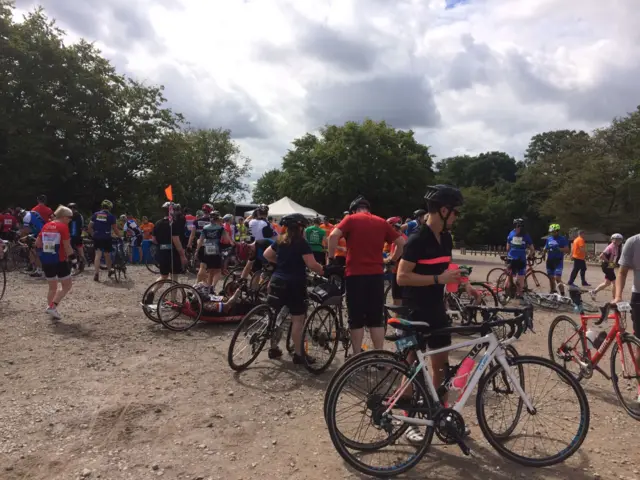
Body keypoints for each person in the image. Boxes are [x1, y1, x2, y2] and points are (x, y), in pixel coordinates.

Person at [396, 185, 464, 438]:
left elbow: (448, 268)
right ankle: (407, 420)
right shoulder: (417, 239)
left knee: (441, 366)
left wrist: (464, 284)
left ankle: (440, 416)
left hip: (436, 308)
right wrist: (438, 279)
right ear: (444, 210)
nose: (457, 217)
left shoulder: (445, 238)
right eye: (456, 212)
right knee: (412, 365)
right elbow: (402, 277)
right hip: (414, 309)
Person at [327, 196, 406, 353]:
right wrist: (391, 259)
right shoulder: (381, 221)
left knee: (356, 318)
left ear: (354, 210)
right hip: (376, 275)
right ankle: (378, 354)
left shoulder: (351, 219)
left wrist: (331, 260)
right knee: (375, 318)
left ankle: (357, 356)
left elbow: (333, 236)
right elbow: (401, 243)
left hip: (354, 274)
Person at [262, 213, 325, 363]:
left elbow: (267, 254)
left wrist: (280, 263)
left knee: (276, 315)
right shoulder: (301, 243)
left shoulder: (280, 240)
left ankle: (274, 347)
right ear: (301, 228)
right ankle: (299, 354)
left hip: (277, 281)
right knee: (298, 320)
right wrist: (323, 270)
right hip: (294, 284)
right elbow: (311, 265)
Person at [35, 205, 75, 320]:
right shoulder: (63, 227)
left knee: (52, 288)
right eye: (69, 218)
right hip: (60, 260)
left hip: (47, 260)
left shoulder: (46, 225)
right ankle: (53, 307)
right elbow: (67, 246)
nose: (70, 220)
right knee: (67, 285)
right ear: (64, 217)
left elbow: (38, 243)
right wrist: (74, 259)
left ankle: (51, 309)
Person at [613, 233, 640, 401]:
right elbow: (622, 273)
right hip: (639, 296)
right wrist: (618, 296)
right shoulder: (633, 242)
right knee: (639, 344)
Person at [196, 211, 232, 288]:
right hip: (217, 250)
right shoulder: (220, 228)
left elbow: (201, 240)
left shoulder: (205, 228)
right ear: (217, 218)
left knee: (210, 270)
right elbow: (226, 240)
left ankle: (209, 287)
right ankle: (213, 286)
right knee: (218, 270)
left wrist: (197, 250)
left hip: (207, 250)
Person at [88, 199, 120, 282]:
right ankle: (109, 270)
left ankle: (96, 273)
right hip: (106, 237)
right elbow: (115, 229)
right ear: (110, 207)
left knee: (97, 255)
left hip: (97, 237)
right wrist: (120, 236)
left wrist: (93, 235)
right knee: (107, 255)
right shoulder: (111, 216)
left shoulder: (95, 214)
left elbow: (89, 227)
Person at [506, 218, 534, 297]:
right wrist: (530, 255)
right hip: (520, 259)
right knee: (520, 278)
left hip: (512, 258)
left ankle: (507, 293)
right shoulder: (525, 234)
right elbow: (532, 249)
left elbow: (507, 248)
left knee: (510, 276)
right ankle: (519, 294)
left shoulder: (511, 233)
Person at [590, 233, 623, 300]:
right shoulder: (611, 247)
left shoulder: (616, 247)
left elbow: (613, 258)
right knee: (615, 282)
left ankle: (593, 292)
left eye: (620, 240)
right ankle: (615, 299)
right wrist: (609, 262)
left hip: (610, 266)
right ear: (613, 240)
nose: (619, 241)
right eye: (617, 240)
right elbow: (601, 256)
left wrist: (613, 264)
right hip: (607, 266)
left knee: (607, 283)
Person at [384, 217, 407, 306]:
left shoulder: (399, 240)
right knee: (403, 301)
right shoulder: (403, 238)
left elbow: (395, 257)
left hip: (398, 272)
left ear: (393, 227)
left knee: (397, 302)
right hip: (402, 272)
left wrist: (384, 260)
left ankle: (397, 319)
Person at [545, 224, 569, 295]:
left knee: (557, 278)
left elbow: (567, 249)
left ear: (557, 231)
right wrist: (543, 253)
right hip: (549, 261)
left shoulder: (562, 239)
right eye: (551, 232)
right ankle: (552, 292)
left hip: (558, 261)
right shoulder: (549, 239)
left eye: (554, 231)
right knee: (551, 278)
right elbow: (546, 248)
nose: (552, 233)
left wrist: (558, 249)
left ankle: (562, 293)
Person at [68, 203, 85, 272]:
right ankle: (82, 262)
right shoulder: (80, 216)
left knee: (69, 250)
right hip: (78, 236)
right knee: (80, 249)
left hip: (70, 236)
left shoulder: (67, 216)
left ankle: (71, 263)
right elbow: (82, 225)